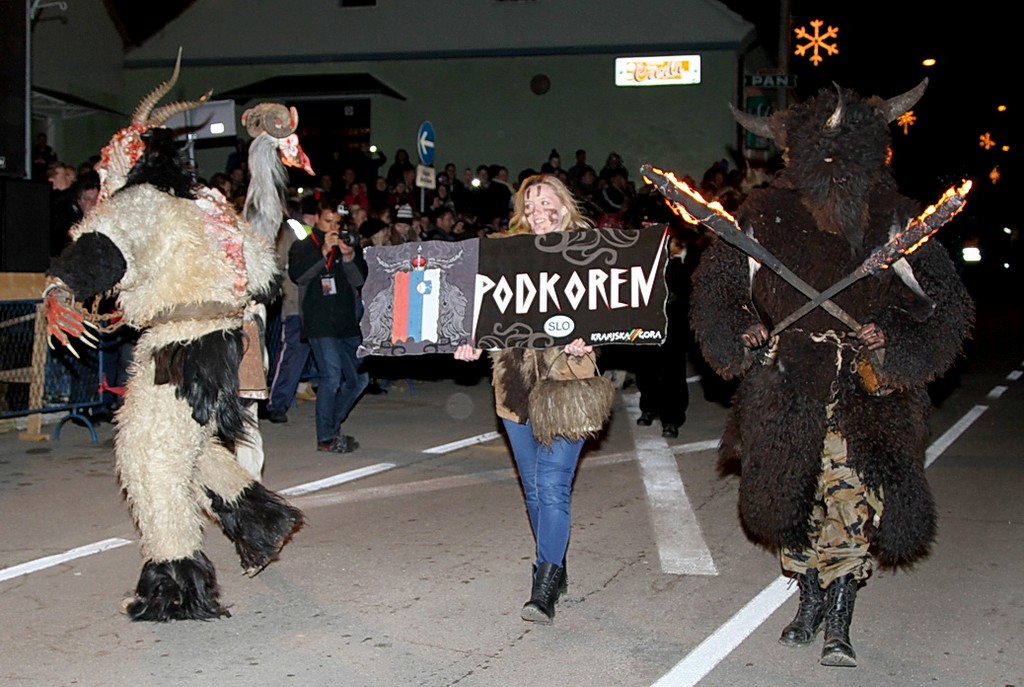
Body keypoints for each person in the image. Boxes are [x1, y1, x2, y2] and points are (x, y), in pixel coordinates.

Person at [689, 81, 973, 667]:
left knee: (851, 498)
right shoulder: (762, 214)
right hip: (786, 378)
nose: (833, 164)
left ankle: (840, 612)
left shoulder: (894, 217)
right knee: (790, 499)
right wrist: (743, 328)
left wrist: (893, 334)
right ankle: (810, 595)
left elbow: (942, 299)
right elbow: (720, 290)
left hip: (859, 383)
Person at [454, 174, 612, 624]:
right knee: (534, 491)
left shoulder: (591, 252)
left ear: (565, 205)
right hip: (515, 385)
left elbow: (612, 309)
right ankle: (554, 561)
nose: (539, 210)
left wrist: (591, 338)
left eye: (548, 202)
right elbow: (485, 311)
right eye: (531, 204)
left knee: (553, 484)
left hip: (568, 386)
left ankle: (543, 585)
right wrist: (470, 342)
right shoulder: (505, 253)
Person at [288, 196, 369, 453]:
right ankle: (326, 437)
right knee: (331, 376)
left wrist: (348, 256)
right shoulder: (304, 246)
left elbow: (359, 280)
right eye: (327, 221)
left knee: (359, 379)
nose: (333, 227)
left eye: (337, 222)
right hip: (320, 323)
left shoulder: (348, 244)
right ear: (317, 220)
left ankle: (331, 426)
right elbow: (299, 276)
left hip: (346, 323)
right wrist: (323, 252)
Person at [634, 231, 693, 438]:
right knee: (646, 368)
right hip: (648, 322)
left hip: (675, 325)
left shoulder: (691, 261)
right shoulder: (650, 259)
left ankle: (672, 419)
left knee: (673, 373)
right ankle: (648, 407)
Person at [264, 197, 316, 424]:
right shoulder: (289, 232)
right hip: (295, 303)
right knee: (292, 353)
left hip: (314, 304)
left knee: (302, 354)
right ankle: (276, 402)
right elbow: (278, 266)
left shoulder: (307, 233)